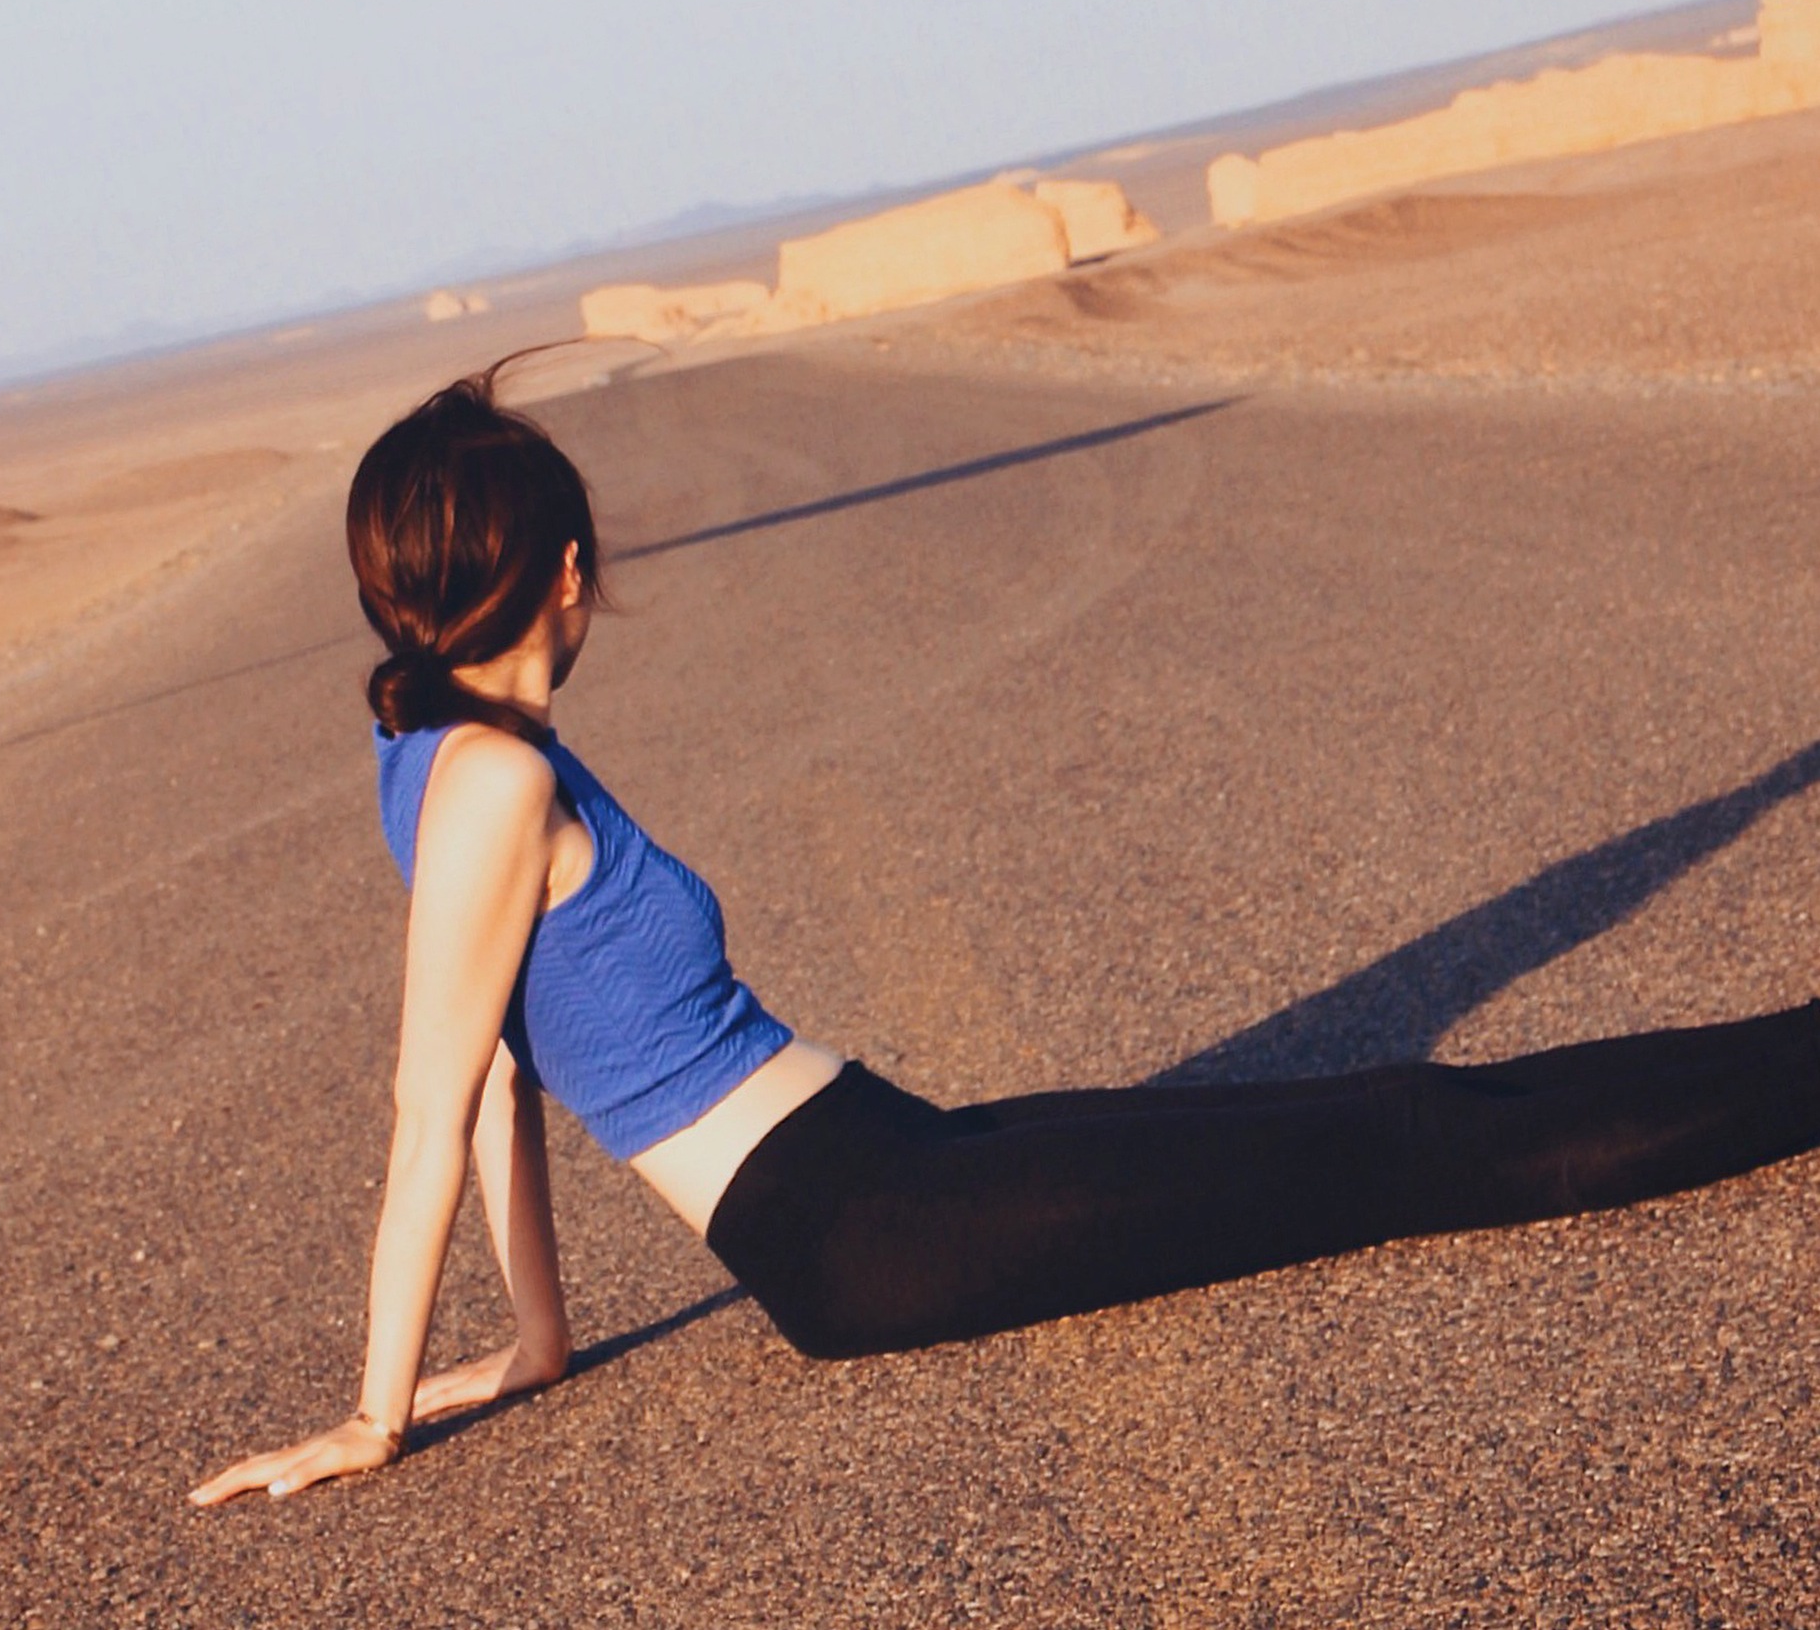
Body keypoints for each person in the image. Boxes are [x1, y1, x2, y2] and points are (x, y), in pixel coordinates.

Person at [190, 371, 1820, 1506]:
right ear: (565, 573)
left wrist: (541, 1344)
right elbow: (435, 1101)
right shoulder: (481, 778)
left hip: (884, 1153)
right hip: (861, 1228)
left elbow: (490, 1068)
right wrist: (374, 1413)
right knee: (1404, 1141)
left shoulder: (441, 758)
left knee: (1397, 1103)